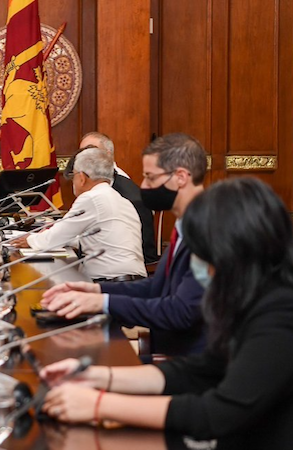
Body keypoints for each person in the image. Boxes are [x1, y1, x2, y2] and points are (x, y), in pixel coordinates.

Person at [40, 177, 293, 447]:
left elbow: (218, 413)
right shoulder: (248, 297)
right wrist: (98, 377)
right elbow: (201, 370)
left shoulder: (281, 313)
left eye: (206, 257)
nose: (204, 269)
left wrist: (100, 404)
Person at [41, 133, 207, 357]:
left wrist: (103, 303)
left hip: (188, 361)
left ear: (180, 177)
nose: (144, 186)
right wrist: (95, 290)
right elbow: (155, 287)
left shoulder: (206, 228)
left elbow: (181, 312)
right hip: (170, 352)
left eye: (150, 177)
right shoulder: (183, 224)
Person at [17, 147, 146, 281]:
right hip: (135, 283)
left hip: (111, 284)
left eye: (74, 175)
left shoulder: (91, 198)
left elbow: (53, 239)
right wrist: (69, 240)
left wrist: (29, 240)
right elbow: (100, 239)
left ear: (82, 177)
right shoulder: (123, 201)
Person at [72, 132, 159, 263]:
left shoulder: (129, 195)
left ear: (107, 155)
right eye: (82, 152)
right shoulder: (92, 181)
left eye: (91, 151)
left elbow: (144, 250)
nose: (84, 157)